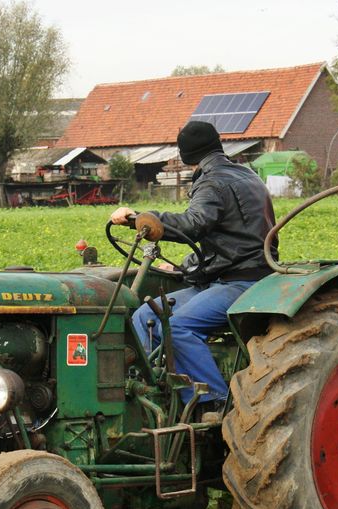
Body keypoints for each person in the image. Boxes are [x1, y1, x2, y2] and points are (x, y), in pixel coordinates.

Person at [110, 120, 277, 410]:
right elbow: (227, 238)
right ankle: (154, 391)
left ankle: (215, 405)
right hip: (225, 275)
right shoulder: (245, 174)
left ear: (187, 155)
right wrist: (183, 268)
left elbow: (195, 224)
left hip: (242, 280)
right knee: (144, 317)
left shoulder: (213, 182)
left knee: (178, 327)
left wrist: (141, 218)